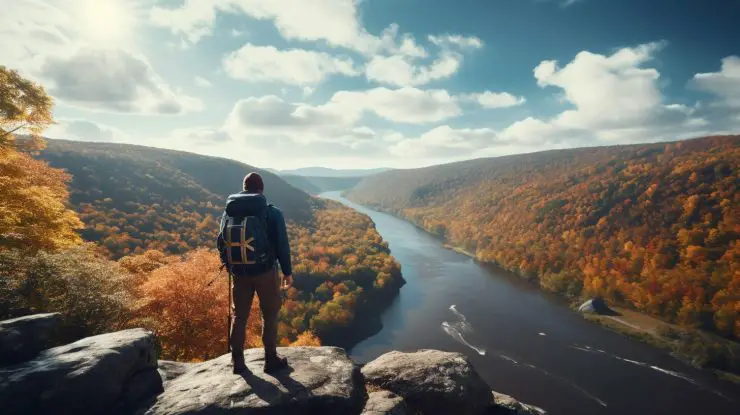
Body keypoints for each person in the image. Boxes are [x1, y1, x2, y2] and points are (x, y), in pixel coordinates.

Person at [217, 172, 293, 374]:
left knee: (239, 316)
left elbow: (220, 242)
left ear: (244, 187)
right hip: (265, 272)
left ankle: (238, 363)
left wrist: (229, 264)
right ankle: (270, 360)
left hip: (239, 273)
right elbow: (282, 246)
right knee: (269, 315)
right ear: (261, 189)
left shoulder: (229, 213)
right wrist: (287, 272)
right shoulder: (271, 212)